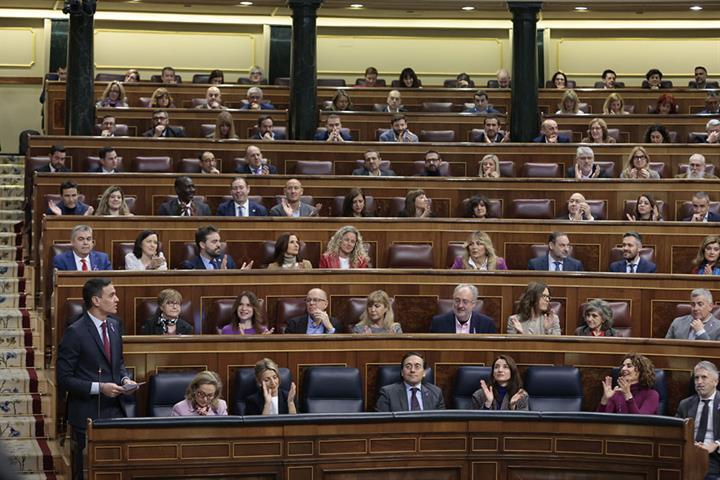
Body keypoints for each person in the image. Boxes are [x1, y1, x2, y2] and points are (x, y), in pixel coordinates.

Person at [57, 278, 136, 480]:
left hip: (116, 411)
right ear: (96, 300)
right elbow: (64, 378)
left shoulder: (114, 326)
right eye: (111, 295)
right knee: (87, 472)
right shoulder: (75, 332)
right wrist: (99, 387)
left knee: (115, 470)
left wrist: (125, 379)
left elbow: (118, 364)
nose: (117, 299)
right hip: (87, 414)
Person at [675, 361, 720, 479]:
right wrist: (689, 443)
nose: (699, 382)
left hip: (714, 456)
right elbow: (675, 432)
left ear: (716, 381)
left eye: (704, 377)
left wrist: (716, 445)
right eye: (696, 378)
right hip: (688, 454)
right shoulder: (685, 404)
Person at [376, 352, 445, 412]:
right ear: (402, 372)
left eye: (417, 366)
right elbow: (381, 423)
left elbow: (442, 423)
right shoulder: (387, 393)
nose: (412, 370)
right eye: (408, 366)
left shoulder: (436, 393)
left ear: (424, 372)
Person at [430, 284, 496, 334]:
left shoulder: (487, 324)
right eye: (457, 300)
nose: (460, 305)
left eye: (465, 302)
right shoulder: (438, 323)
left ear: (473, 304)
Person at [179, 225, 249, 270]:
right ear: (202, 245)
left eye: (219, 241)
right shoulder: (190, 266)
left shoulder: (228, 261)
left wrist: (240, 276)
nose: (219, 245)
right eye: (214, 241)